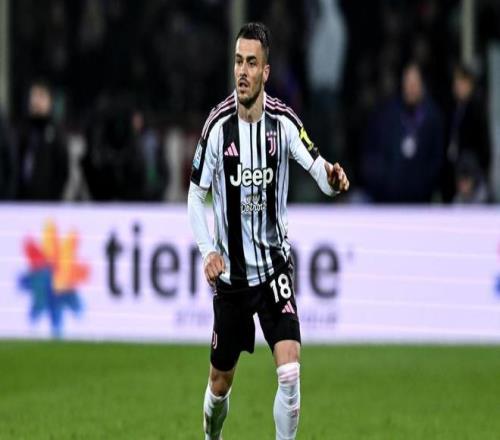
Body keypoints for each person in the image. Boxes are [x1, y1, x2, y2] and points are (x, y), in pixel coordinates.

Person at [187, 22, 349, 440]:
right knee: (219, 385)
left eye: (251, 63)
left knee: (290, 372)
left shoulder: (284, 123)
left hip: (275, 270)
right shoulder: (218, 126)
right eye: (238, 62)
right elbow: (195, 196)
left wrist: (333, 179)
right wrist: (208, 250)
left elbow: (319, 170)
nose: (242, 71)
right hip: (232, 279)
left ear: (265, 72)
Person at [359, 62, 444, 203]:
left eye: (414, 83)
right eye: (407, 83)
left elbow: (436, 159)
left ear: (422, 85)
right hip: (389, 199)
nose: (410, 88)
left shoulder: (432, 117)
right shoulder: (388, 114)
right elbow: (373, 153)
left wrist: (425, 185)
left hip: (421, 200)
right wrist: (383, 183)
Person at [442, 63, 491, 203]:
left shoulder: (476, 109)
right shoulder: (452, 108)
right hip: (453, 174)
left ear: (469, 84)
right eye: (456, 82)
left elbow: (484, 149)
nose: (457, 86)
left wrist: (474, 174)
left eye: (461, 82)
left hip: (470, 178)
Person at [13, 80, 68, 200]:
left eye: (41, 96)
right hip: (22, 200)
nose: (36, 101)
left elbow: (63, 171)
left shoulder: (56, 132)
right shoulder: (23, 130)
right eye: (34, 96)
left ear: (50, 101)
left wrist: (54, 198)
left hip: (47, 202)